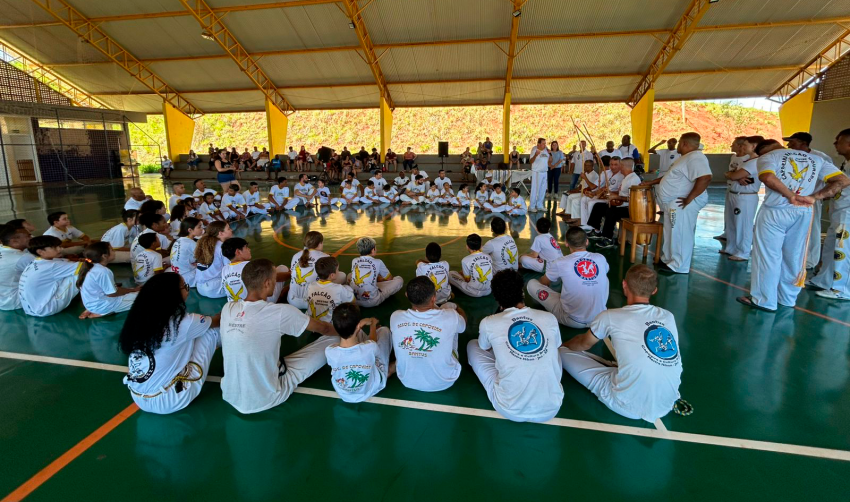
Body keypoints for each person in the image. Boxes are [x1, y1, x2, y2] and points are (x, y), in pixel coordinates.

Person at [737, 140, 849, 312]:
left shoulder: (768, 157)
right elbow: (842, 180)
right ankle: (787, 298)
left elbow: (767, 177)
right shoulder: (815, 159)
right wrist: (815, 197)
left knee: (768, 255)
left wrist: (790, 195)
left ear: (762, 151)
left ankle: (764, 300)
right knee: (795, 256)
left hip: (775, 211)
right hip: (803, 210)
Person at [560, 264, 681, 422]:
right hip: (667, 401)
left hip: (624, 403)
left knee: (562, 353)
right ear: (654, 291)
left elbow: (583, 344)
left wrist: (563, 345)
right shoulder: (668, 316)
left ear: (624, 285)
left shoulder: (610, 316)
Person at [220, 259, 338, 414]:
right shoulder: (280, 312)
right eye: (275, 280)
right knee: (335, 338)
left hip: (230, 394)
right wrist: (349, 330)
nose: (276, 283)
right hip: (267, 397)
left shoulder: (227, 308)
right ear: (267, 283)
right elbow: (324, 328)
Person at [467, 269, 564, 422]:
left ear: (497, 299)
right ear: (522, 292)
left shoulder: (489, 322)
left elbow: (484, 348)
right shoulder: (549, 317)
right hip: (552, 407)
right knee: (554, 348)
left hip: (509, 408)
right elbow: (556, 346)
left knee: (473, 345)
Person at [121, 273, 221, 414]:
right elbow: (217, 320)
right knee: (211, 332)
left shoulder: (139, 319)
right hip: (169, 400)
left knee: (191, 336)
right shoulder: (184, 322)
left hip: (138, 398)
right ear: (173, 294)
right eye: (185, 287)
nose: (188, 289)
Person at [640, 132, 712, 274]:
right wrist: (651, 182)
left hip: (682, 203)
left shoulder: (696, 157)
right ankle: (668, 258)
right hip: (673, 204)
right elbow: (669, 176)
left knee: (681, 232)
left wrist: (689, 199)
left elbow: (705, 178)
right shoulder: (685, 158)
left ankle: (679, 265)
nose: (678, 145)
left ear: (684, 143)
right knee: (671, 230)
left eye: (679, 142)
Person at [391, 277, 467, 392]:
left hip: (407, 379)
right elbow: (463, 326)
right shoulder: (451, 316)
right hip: (445, 381)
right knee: (453, 321)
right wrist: (458, 309)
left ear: (406, 295)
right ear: (434, 297)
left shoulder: (396, 316)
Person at [527, 227, 609, 328]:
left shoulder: (561, 262)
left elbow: (543, 282)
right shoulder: (600, 258)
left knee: (531, 283)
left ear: (566, 243)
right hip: (599, 318)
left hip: (573, 320)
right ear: (587, 242)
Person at [809, 128, 850, 300]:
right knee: (830, 248)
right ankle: (824, 280)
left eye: (838, 141)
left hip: (847, 215)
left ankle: (842, 289)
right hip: (838, 212)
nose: (835, 144)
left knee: (842, 251)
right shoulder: (845, 163)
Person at [785, 132, 835, 270]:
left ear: (803, 143)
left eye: (792, 142)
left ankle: (811, 261)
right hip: (792, 198)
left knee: (811, 230)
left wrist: (821, 195)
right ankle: (795, 257)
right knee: (793, 229)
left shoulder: (820, 157)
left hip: (811, 198)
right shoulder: (790, 156)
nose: (789, 145)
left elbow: (831, 179)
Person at [324, 304, 392, 403]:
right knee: (384, 331)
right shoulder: (370, 347)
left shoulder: (329, 351)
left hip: (343, 394)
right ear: (358, 326)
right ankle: (388, 370)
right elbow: (373, 342)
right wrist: (373, 325)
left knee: (358, 338)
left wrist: (360, 325)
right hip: (371, 389)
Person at [586, 157, 642, 249]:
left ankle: (608, 239)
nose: (619, 167)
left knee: (611, 211)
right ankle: (597, 231)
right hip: (621, 205)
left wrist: (617, 197)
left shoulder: (633, 179)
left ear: (623, 166)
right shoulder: (627, 177)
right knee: (598, 206)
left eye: (620, 165)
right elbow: (621, 192)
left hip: (629, 209)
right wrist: (611, 194)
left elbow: (633, 198)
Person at [18, 236, 82, 317]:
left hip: (30, 309)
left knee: (70, 271)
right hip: (46, 309)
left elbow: (64, 262)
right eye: (55, 248)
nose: (60, 249)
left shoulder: (36, 262)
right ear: (40, 251)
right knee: (81, 273)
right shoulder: (51, 266)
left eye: (59, 246)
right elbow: (85, 266)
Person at [722, 136, 762, 261]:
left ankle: (743, 251)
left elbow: (733, 175)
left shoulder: (755, 162)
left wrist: (732, 175)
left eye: (745, 145)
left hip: (745, 196)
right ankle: (731, 247)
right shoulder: (746, 161)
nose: (742, 147)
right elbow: (731, 174)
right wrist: (732, 175)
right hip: (735, 193)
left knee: (743, 224)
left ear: (754, 146)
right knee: (732, 223)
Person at [77, 242, 140, 319]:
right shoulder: (103, 271)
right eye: (112, 250)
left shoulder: (90, 267)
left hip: (92, 304)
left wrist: (131, 290)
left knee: (135, 292)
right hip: (104, 306)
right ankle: (103, 312)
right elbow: (112, 293)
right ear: (104, 256)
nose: (114, 252)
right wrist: (132, 290)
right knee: (145, 297)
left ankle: (94, 309)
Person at [289, 231, 345, 309]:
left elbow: (291, 273)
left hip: (292, 301)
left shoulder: (295, 256)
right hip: (314, 302)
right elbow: (332, 276)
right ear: (319, 244)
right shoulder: (325, 257)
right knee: (342, 275)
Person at [221, 237, 289, 303]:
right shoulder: (249, 266)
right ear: (238, 252)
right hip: (258, 303)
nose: (249, 249)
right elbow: (276, 278)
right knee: (282, 268)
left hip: (234, 305)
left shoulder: (224, 269)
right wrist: (292, 274)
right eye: (246, 247)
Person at [348, 237, 403, 308]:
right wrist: (380, 278)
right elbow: (390, 279)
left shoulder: (354, 260)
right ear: (373, 250)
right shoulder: (378, 262)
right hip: (372, 301)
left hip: (355, 300)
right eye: (375, 248)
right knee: (399, 280)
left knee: (350, 275)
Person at [716, 137, 751, 243]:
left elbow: (744, 176)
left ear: (740, 146)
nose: (731, 146)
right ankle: (727, 232)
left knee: (740, 218)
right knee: (728, 213)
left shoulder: (748, 159)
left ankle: (740, 242)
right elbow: (729, 173)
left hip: (742, 191)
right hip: (731, 187)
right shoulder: (733, 157)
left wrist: (734, 175)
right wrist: (731, 175)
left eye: (734, 144)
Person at [306, 257, 355, 321]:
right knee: (348, 289)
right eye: (338, 270)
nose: (338, 271)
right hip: (331, 326)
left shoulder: (310, 285)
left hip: (312, 323)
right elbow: (353, 301)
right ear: (332, 275)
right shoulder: (339, 288)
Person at [194, 221, 233, 299]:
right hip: (215, 288)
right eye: (228, 229)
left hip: (200, 287)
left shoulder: (204, 243)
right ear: (220, 233)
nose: (231, 230)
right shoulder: (222, 247)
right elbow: (230, 269)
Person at [0, 224, 32, 311]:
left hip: (3, 301)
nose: (32, 238)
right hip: (17, 301)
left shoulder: (2, 250)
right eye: (28, 236)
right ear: (14, 241)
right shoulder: (22, 257)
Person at [169, 217, 202, 287]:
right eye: (199, 227)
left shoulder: (179, 240)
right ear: (190, 230)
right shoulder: (191, 243)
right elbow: (205, 259)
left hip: (178, 274)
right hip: (188, 277)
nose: (202, 229)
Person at [528, 138, 551, 212]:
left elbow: (550, 161)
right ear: (538, 144)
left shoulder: (546, 150)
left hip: (544, 172)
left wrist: (550, 153)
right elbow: (531, 161)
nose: (545, 145)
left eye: (545, 143)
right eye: (543, 143)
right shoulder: (534, 149)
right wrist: (535, 155)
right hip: (537, 172)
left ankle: (540, 205)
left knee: (543, 190)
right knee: (535, 189)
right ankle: (532, 206)